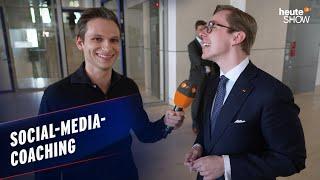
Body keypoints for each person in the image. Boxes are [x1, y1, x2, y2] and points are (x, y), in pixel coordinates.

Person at [36, 7, 184, 180]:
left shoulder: (127, 87)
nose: (107, 47)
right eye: (97, 39)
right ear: (80, 42)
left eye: (113, 40)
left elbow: (145, 134)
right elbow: (45, 163)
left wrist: (167, 122)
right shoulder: (57, 95)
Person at [184, 5, 306, 180]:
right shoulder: (211, 83)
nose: (203, 33)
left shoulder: (272, 93)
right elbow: (210, 129)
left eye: (212, 26)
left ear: (237, 37)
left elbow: (291, 159)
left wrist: (226, 165)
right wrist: (198, 146)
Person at [188, 20, 219, 134]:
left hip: (211, 77)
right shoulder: (192, 45)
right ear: (196, 30)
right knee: (197, 102)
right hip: (198, 79)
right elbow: (197, 61)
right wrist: (210, 61)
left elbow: (215, 57)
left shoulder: (210, 42)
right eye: (200, 29)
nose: (203, 31)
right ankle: (195, 124)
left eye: (205, 29)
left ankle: (206, 122)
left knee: (208, 101)